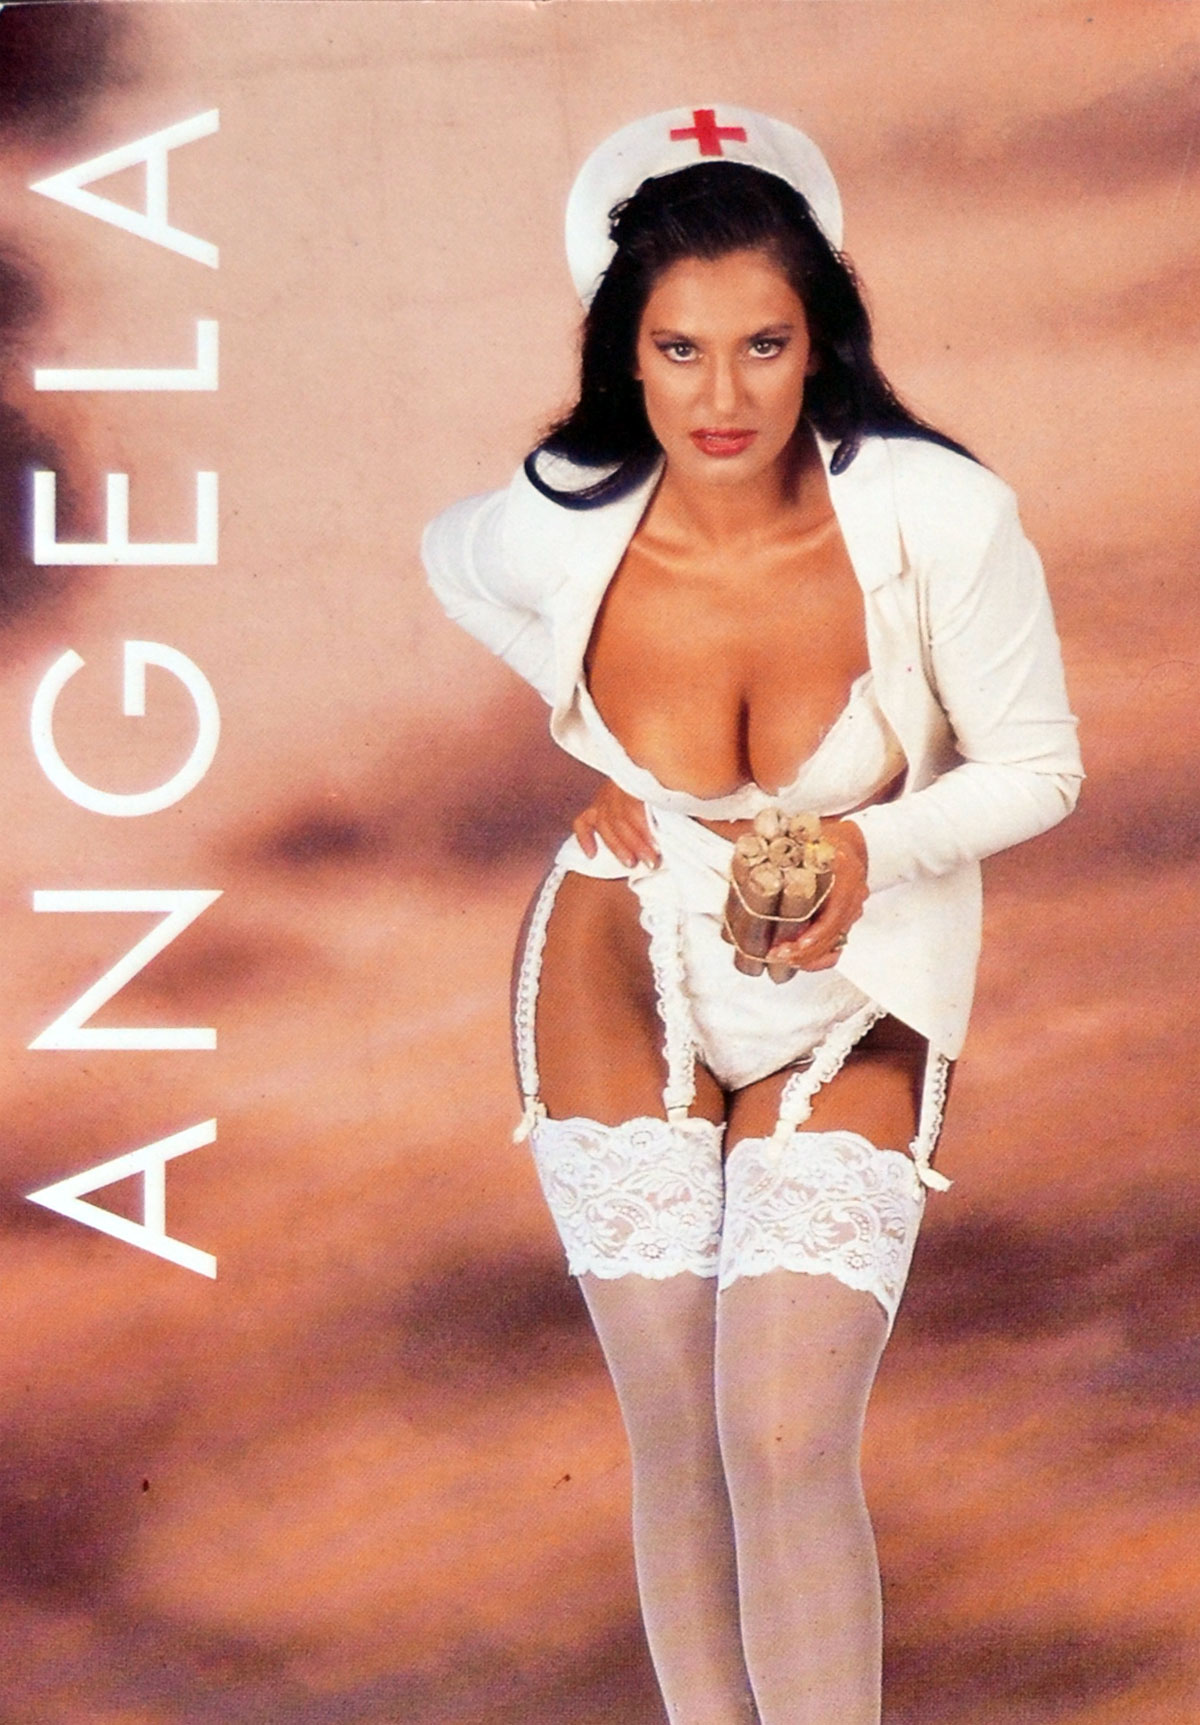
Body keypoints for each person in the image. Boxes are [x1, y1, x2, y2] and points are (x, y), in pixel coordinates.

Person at [423, 105, 1081, 1725]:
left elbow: (1042, 768)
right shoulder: (566, 511)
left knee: (783, 1436)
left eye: (763, 345)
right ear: (624, 353)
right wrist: (592, 731)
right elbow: (451, 558)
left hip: (860, 986)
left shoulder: (940, 516)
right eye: (680, 349)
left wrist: (869, 846)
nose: (722, 397)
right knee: (676, 1430)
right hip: (616, 950)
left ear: (820, 340)